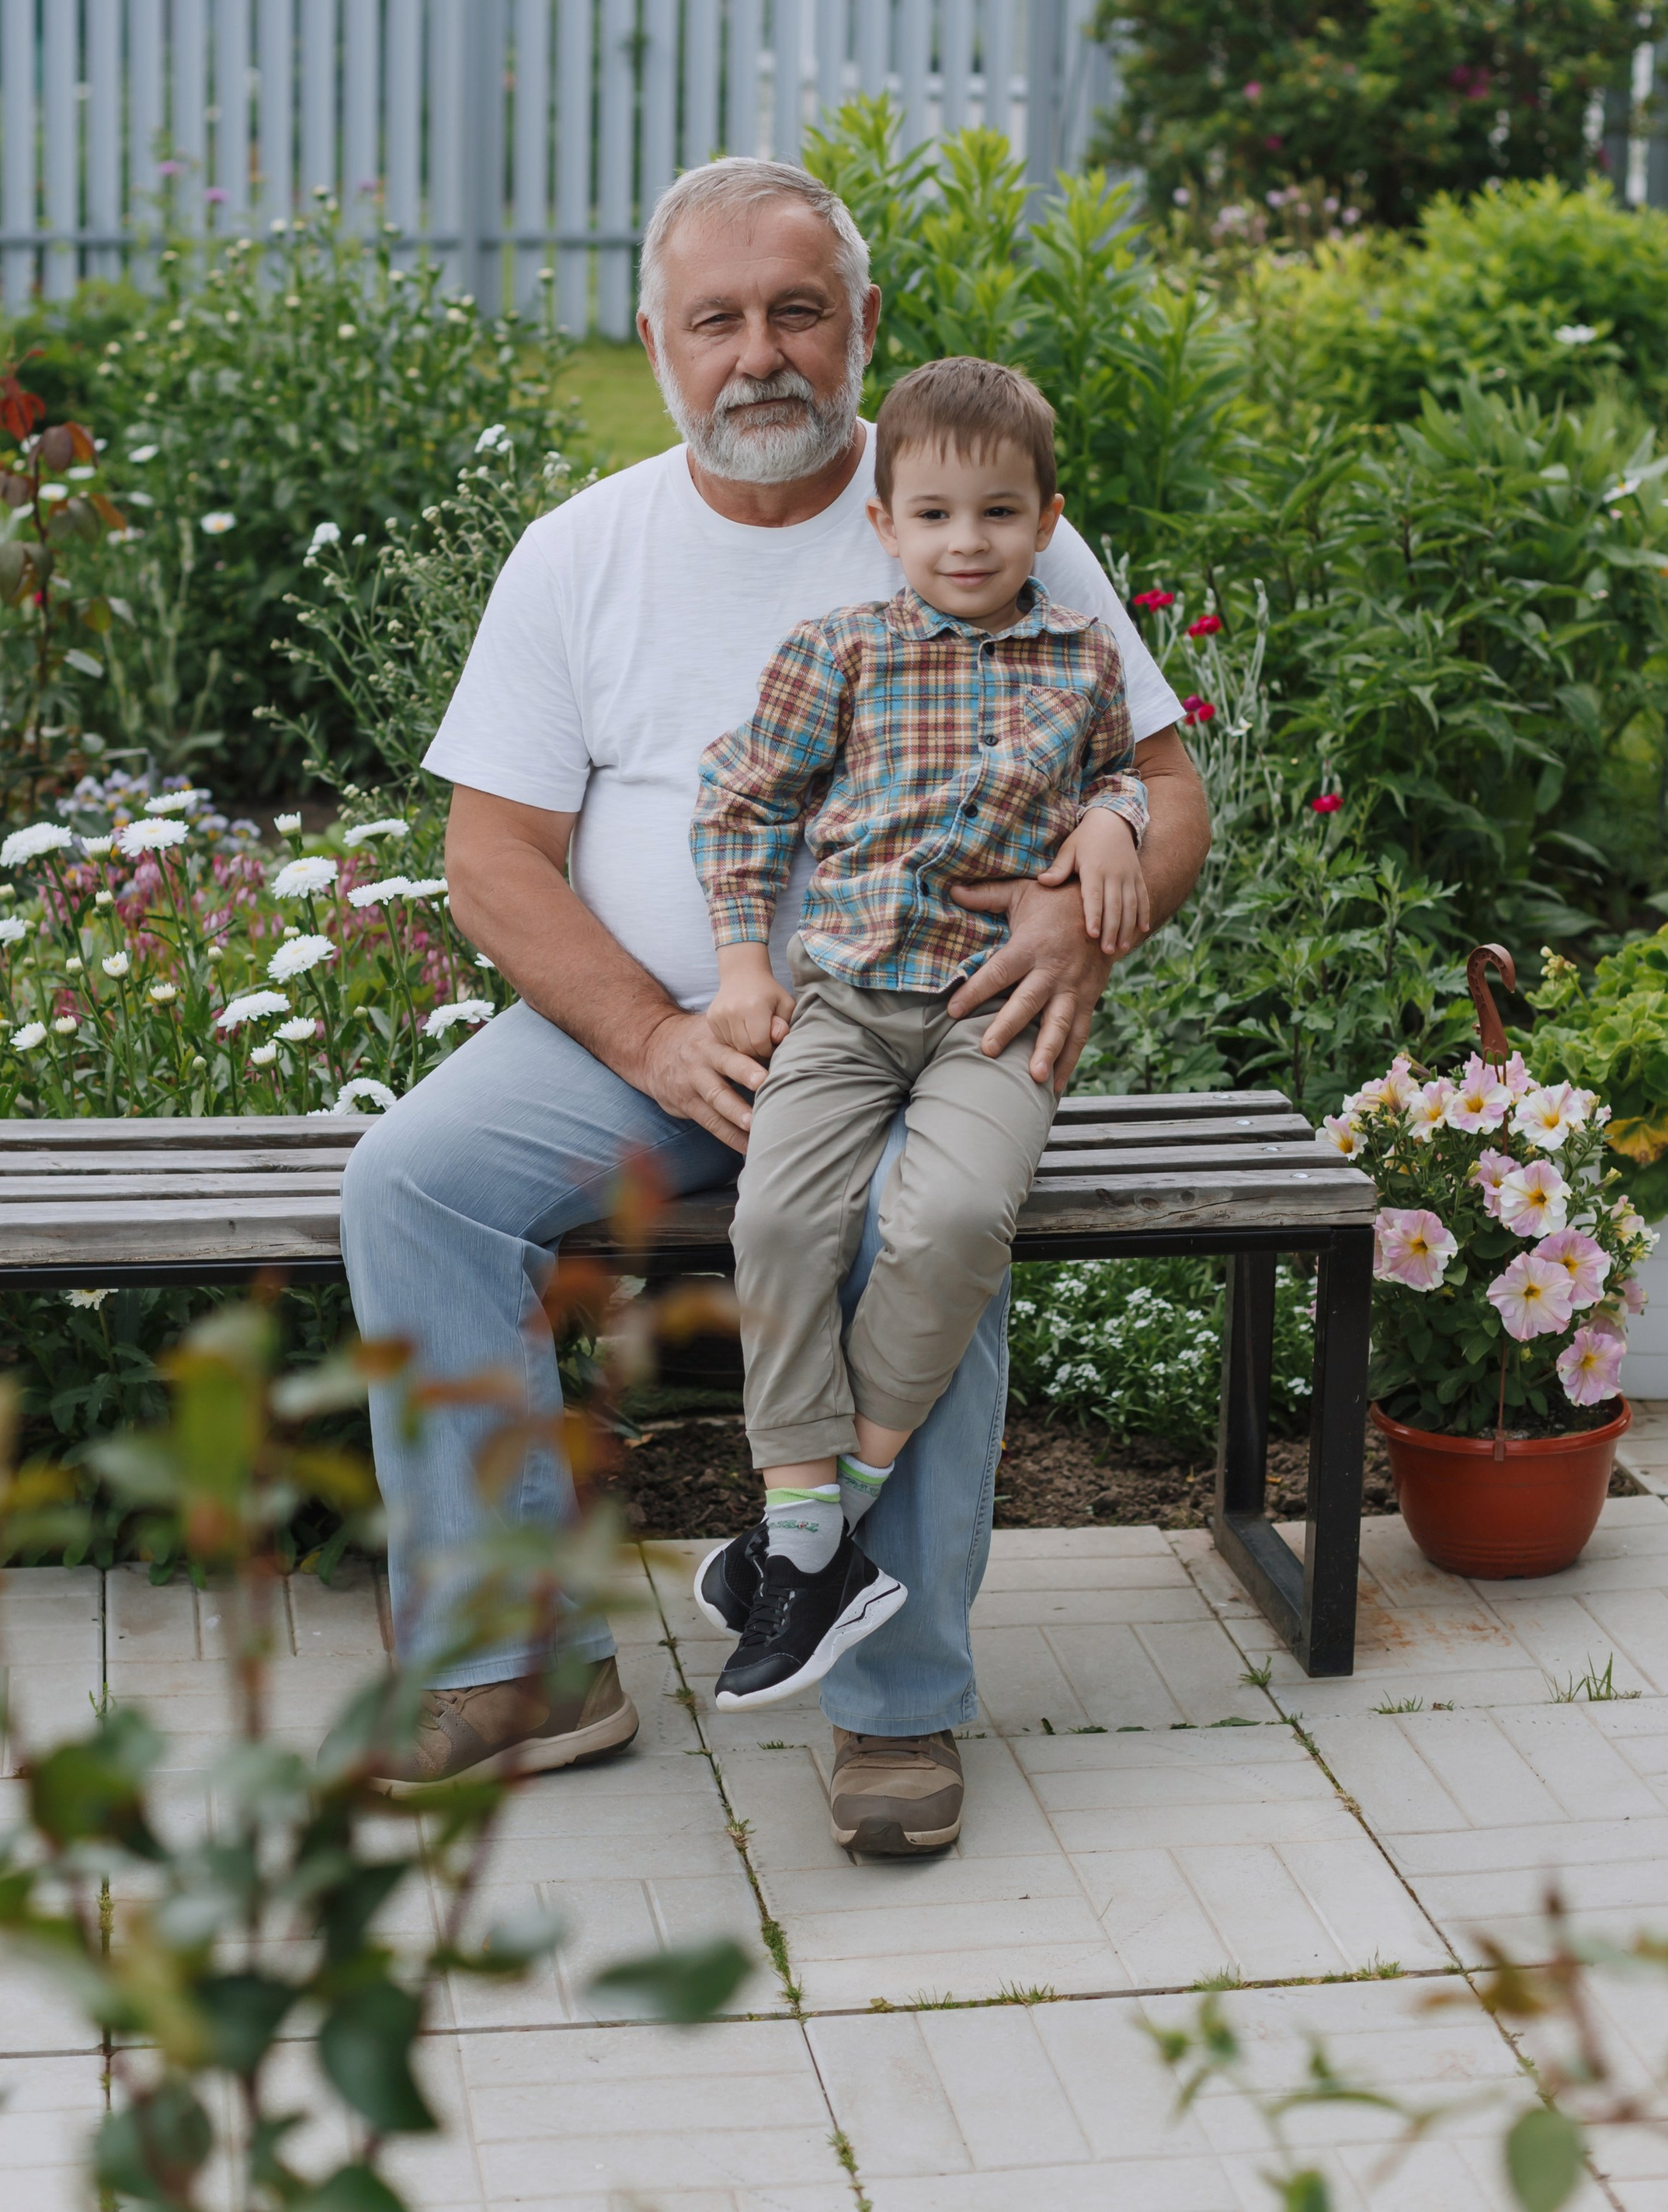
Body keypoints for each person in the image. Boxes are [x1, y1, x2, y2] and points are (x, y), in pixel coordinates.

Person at [340, 155, 1210, 1855]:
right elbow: (496, 858)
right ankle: (521, 1666)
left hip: (928, 1031)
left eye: (797, 312)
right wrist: (652, 1037)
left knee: (919, 1228)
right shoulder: (580, 553)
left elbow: (1160, 785)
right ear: (654, 340)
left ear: (861, 327)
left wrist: (1082, 901)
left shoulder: (972, 507)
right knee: (412, 1182)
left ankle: (898, 1706)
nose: (760, 355)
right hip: (666, 1039)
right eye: (716, 319)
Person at [691, 356, 1149, 1710]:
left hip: (992, 1016)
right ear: (886, 523)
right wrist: (735, 963)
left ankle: (825, 1526)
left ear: (1048, 520)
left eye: (1000, 515)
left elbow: (1121, 768)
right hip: (840, 1001)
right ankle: (802, 1534)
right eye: (937, 515)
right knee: (778, 1223)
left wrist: (1116, 817)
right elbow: (742, 806)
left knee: (948, 1224)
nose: (969, 542)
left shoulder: (1081, 658)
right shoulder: (840, 650)